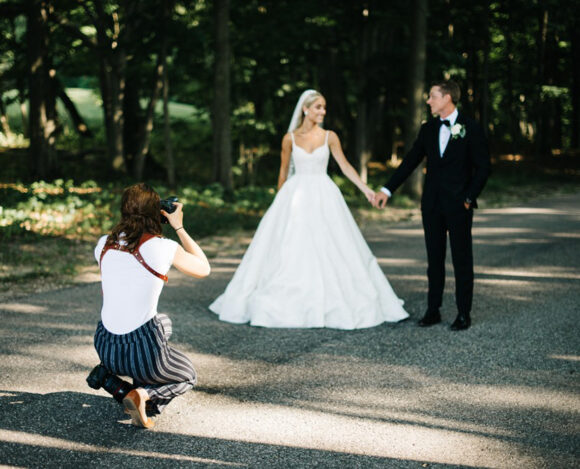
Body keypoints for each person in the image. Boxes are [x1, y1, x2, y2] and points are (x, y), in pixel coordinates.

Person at [209, 89, 409, 329]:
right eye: (318, 107)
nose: (323, 112)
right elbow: (283, 173)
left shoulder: (330, 137)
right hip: (294, 196)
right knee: (289, 246)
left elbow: (345, 166)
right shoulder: (289, 138)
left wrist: (365, 189)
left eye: (324, 107)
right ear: (305, 109)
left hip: (325, 194)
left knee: (335, 245)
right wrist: (278, 204)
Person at [373, 80, 490, 331]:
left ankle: (463, 313)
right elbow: (410, 162)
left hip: (460, 205)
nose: (428, 101)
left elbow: (483, 167)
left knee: (461, 258)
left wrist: (469, 198)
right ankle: (433, 309)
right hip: (432, 205)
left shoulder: (471, 127)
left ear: (447, 98)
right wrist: (387, 189)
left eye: (432, 96)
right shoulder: (428, 129)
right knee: (434, 258)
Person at [91, 183, 210, 428]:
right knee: (187, 375)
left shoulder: (103, 243)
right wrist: (178, 226)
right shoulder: (163, 247)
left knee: (163, 322)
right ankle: (145, 395)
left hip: (105, 347)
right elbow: (204, 268)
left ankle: (117, 384)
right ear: (156, 212)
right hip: (142, 353)